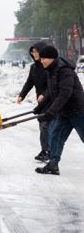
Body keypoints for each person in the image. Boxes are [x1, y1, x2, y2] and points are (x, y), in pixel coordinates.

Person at [33, 45, 84, 175]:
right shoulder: (50, 70)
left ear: (52, 58)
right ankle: (53, 165)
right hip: (64, 111)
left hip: (78, 110)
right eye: (42, 58)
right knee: (55, 136)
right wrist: (40, 107)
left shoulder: (64, 70)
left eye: (44, 58)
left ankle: (53, 164)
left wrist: (51, 112)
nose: (42, 61)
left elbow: (64, 94)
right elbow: (51, 91)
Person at [17, 42, 50, 162]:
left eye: (36, 51)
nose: (34, 54)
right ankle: (46, 149)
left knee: (46, 125)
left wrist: (45, 94)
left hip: (51, 99)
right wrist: (22, 95)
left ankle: (47, 150)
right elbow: (29, 82)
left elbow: (53, 84)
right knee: (43, 125)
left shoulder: (48, 66)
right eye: (33, 52)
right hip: (41, 101)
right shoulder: (33, 67)